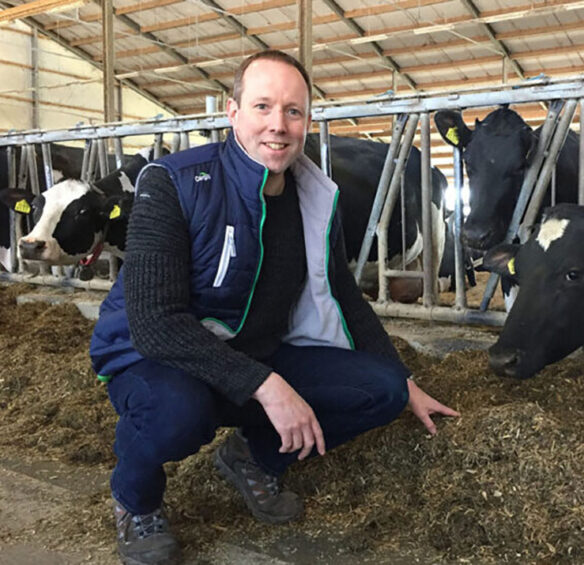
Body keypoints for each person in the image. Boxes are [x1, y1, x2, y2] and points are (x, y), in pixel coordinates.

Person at [90, 50, 459, 565]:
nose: (278, 126)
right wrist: (268, 387)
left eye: (293, 111)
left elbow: (343, 292)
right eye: (263, 106)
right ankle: (136, 500)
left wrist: (404, 378)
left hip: (252, 350)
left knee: (380, 391)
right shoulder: (172, 183)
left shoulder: (313, 195)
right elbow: (156, 325)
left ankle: (251, 456)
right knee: (176, 413)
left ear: (307, 120)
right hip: (151, 356)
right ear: (232, 110)